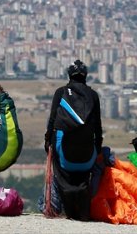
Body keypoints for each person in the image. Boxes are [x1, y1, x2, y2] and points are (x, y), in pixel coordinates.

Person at [44, 59, 103, 221]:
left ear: (69, 75)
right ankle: (84, 212)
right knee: (83, 178)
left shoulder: (60, 93)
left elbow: (52, 120)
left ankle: (70, 212)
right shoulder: (93, 96)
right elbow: (98, 126)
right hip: (87, 153)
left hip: (63, 152)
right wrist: (98, 147)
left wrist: (47, 141)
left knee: (63, 177)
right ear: (85, 75)